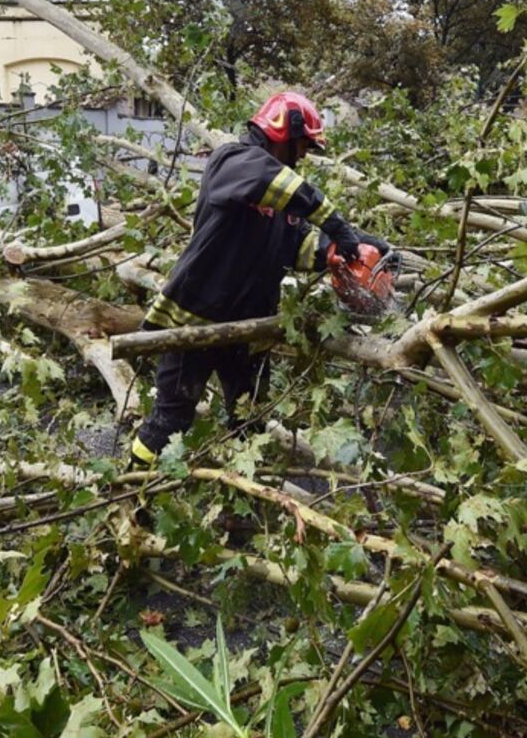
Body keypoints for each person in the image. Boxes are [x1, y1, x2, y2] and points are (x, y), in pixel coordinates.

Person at [129, 91, 389, 467]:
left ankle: (240, 507)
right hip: (196, 319)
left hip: (250, 326)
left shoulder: (283, 205)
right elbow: (277, 182)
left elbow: (297, 247)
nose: (304, 155)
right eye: (302, 145)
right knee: (170, 420)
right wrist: (336, 222)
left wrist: (340, 249)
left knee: (249, 421)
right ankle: (133, 496)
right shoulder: (232, 161)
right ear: (284, 132)